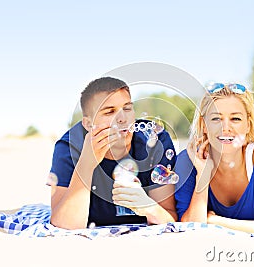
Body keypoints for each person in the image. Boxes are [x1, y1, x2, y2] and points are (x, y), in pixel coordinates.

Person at [49, 77, 177, 229]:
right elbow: (64, 225)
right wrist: (86, 164)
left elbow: (170, 217)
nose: (123, 118)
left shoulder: (155, 140)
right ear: (89, 124)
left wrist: (148, 207)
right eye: (110, 112)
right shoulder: (70, 146)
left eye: (128, 108)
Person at [174, 83, 254, 233]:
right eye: (216, 119)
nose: (225, 127)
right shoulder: (188, 161)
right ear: (204, 125)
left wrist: (213, 220)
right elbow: (192, 225)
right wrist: (203, 175)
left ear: (248, 125)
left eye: (235, 119)